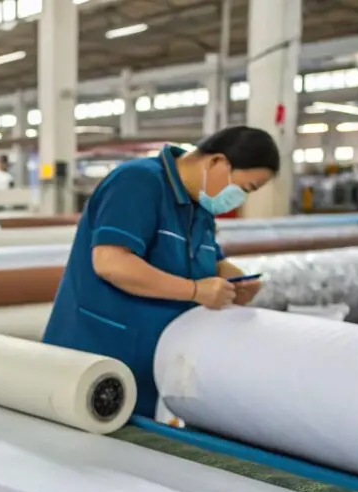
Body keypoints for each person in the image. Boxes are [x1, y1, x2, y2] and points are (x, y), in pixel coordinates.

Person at [42, 126, 280, 418]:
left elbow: (209, 263)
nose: (239, 199)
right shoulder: (138, 183)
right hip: (95, 357)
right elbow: (111, 262)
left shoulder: (200, 210)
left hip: (151, 367)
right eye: (244, 188)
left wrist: (236, 279)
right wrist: (195, 291)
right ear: (217, 162)